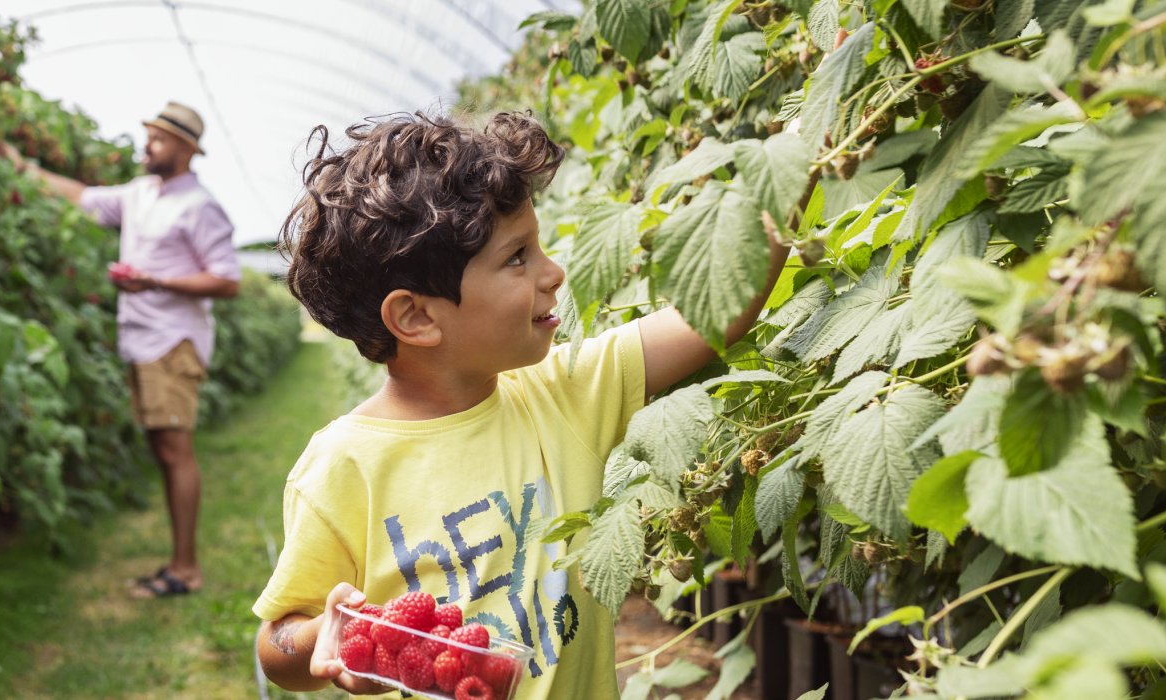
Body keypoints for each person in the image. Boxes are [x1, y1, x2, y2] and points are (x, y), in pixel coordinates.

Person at [251, 112, 785, 697]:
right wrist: (328, 635)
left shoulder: (567, 391)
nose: (553, 272)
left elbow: (718, 313)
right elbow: (278, 645)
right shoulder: (342, 468)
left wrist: (797, 161)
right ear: (416, 316)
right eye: (517, 257)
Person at [7, 101, 240, 599]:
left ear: (185, 149)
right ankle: (179, 562)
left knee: (176, 451)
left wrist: (154, 280)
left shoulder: (199, 205)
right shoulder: (140, 194)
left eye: (157, 138)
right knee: (163, 449)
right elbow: (83, 196)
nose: (147, 145)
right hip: (142, 339)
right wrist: (24, 169)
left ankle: (186, 570)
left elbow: (226, 279)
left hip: (172, 342)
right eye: (149, 135)